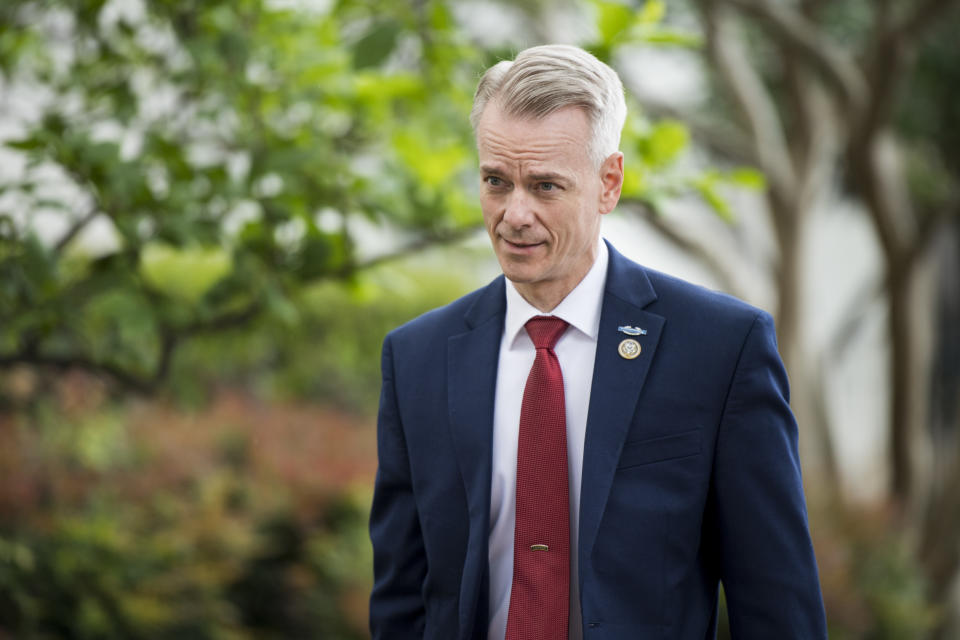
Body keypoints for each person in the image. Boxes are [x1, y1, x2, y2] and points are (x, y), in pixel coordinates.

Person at [369, 44, 827, 640]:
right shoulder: (416, 359)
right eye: (496, 181)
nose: (515, 214)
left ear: (608, 184)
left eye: (545, 186)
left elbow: (777, 601)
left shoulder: (721, 349)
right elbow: (401, 598)